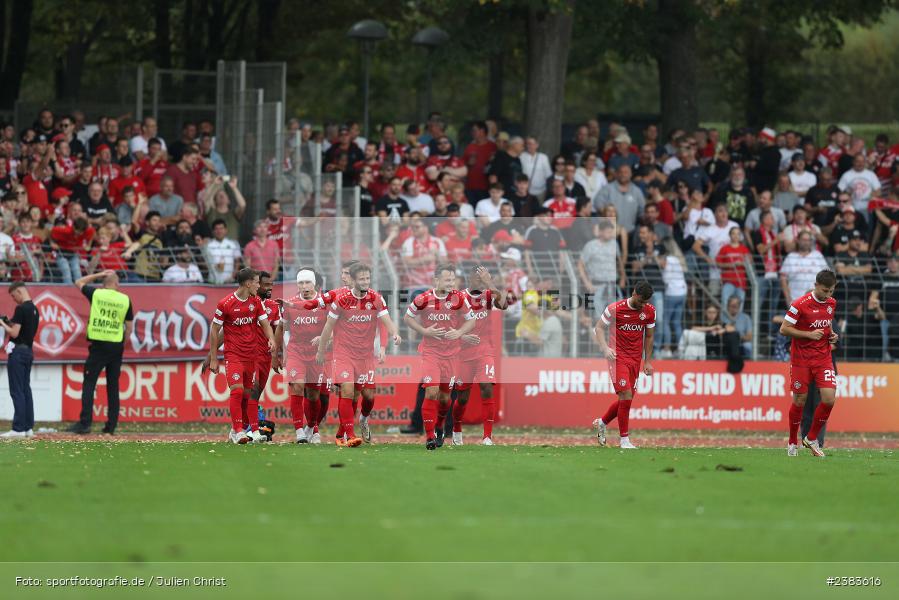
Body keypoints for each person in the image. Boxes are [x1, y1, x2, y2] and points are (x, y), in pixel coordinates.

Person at [316, 262, 402, 446]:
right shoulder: (342, 300)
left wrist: (395, 333)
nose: (365, 281)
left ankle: (352, 427)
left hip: (365, 356)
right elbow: (328, 326)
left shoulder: (376, 298)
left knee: (365, 396)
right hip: (344, 353)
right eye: (362, 278)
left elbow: (386, 320)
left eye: (368, 278)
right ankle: (350, 434)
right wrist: (321, 350)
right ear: (353, 280)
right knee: (347, 390)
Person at [404, 263, 476, 450]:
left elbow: (472, 320)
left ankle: (439, 427)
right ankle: (429, 437)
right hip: (431, 353)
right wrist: (423, 330)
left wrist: (459, 333)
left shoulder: (459, 298)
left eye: (453, 279)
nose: (451, 283)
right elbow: (407, 317)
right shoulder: (423, 298)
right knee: (431, 391)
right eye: (447, 279)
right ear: (436, 280)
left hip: (452, 354)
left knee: (445, 399)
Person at [205, 268, 275, 444]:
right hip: (233, 354)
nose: (259, 285)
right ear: (248, 283)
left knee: (247, 395)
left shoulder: (256, 302)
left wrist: (271, 339)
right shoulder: (226, 303)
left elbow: (265, 323)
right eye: (257, 282)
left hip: (252, 356)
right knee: (236, 391)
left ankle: (244, 429)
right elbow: (214, 329)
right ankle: (238, 431)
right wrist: (213, 358)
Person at [780, 269, 839, 457]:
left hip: (823, 358)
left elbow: (826, 323)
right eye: (825, 291)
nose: (828, 295)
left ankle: (811, 438)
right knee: (800, 400)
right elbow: (784, 329)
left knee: (829, 399)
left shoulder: (832, 303)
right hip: (801, 360)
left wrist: (831, 334)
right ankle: (791, 442)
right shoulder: (799, 304)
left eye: (831, 291)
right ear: (816, 286)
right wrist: (808, 335)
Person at [67, 271, 134, 435]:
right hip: (116, 347)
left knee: (89, 384)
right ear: (117, 284)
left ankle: (85, 424)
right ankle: (110, 427)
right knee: (113, 387)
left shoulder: (97, 294)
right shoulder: (125, 299)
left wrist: (100, 273)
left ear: (104, 283)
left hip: (98, 346)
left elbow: (78, 281)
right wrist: (121, 344)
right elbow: (129, 327)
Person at [592, 281, 656, 449]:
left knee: (626, 400)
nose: (643, 305)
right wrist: (605, 348)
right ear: (634, 294)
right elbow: (598, 328)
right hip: (617, 358)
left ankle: (602, 422)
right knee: (626, 396)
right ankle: (624, 441)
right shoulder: (615, 308)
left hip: (635, 360)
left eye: (646, 302)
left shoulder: (650, 311)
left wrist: (647, 361)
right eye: (641, 301)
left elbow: (649, 336)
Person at [451, 265, 508, 446]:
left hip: (485, 350)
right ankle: (457, 429)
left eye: (482, 277)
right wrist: (462, 335)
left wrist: (490, 282)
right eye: (477, 277)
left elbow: (504, 304)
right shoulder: (458, 298)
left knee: (487, 387)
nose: (480, 280)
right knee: (463, 397)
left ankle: (487, 437)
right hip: (463, 352)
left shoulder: (488, 295)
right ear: (469, 278)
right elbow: (447, 324)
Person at [282, 268, 330, 444]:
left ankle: (312, 427)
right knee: (297, 387)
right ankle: (299, 431)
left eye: (307, 282)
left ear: (314, 284)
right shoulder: (290, 304)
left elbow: (335, 327)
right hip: (297, 351)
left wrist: (323, 338)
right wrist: (285, 351)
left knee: (314, 396)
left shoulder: (325, 302)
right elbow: (283, 329)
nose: (304, 286)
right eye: (301, 283)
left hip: (317, 355)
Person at [0, 282, 39, 438]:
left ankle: (18, 429)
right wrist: (9, 322)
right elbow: (22, 330)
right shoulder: (34, 309)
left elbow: (15, 334)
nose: (13, 299)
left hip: (18, 353)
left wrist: (2, 323)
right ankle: (28, 428)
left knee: (17, 391)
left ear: (19, 291)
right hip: (28, 351)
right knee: (25, 390)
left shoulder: (21, 308)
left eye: (13, 295)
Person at [247, 271, 282, 438]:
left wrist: (275, 356)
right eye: (266, 285)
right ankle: (252, 430)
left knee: (256, 394)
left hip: (266, 357)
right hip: (250, 355)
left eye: (272, 285)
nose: (270, 288)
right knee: (252, 391)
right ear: (257, 284)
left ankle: (242, 426)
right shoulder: (248, 304)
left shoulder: (274, 306)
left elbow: (277, 332)